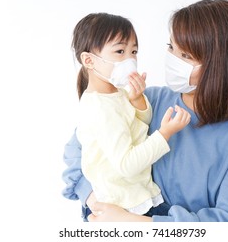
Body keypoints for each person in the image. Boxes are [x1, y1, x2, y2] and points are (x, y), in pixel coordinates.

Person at [62, 0, 228, 222]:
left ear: (220, 64)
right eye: (171, 47)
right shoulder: (148, 101)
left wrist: (135, 223)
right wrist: (96, 201)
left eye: (186, 55)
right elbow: (78, 152)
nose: (172, 60)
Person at [69, 13, 191, 218]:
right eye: (120, 51)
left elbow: (138, 126)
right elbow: (127, 164)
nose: (130, 60)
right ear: (89, 60)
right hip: (122, 206)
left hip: (134, 197)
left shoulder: (117, 94)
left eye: (133, 51)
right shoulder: (101, 108)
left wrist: (136, 100)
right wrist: (165, 134)